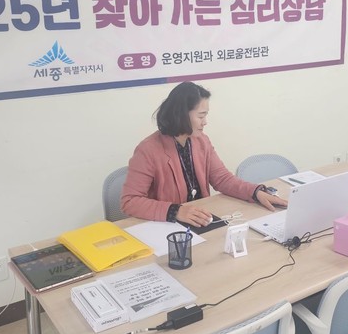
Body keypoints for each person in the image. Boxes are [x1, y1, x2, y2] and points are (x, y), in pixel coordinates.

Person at [121, 82, 287, 227]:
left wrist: (255, 193)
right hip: (168, 226)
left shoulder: (201, 141)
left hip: (201, 220)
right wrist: (175, 211)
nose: (205, 122)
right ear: (181, 115)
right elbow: (130, 201)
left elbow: (222, 179)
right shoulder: (148, 150)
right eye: (201, 116)